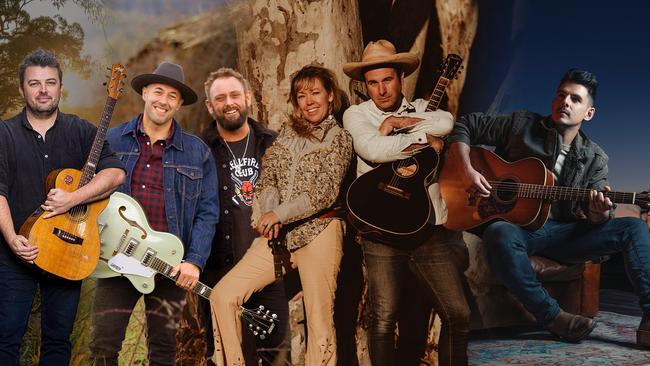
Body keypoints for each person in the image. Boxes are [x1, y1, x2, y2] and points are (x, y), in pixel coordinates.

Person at [446, 68, 650, 346]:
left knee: (634, 227)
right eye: (561, 95)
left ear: (588, 113)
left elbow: (601, 218)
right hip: (520, 230)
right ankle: (554, 318)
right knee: (500, 233)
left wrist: (598, 211)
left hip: (565, 235)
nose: (565, 102)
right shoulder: (521, 125)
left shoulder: (596, 158)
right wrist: (466, 169)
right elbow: (466, 124)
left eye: (575, 99)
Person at [209, 65, 353, 366]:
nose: (309, 101)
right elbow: (267, 179)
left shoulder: (339, 139)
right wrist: (269, 212)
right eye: (302, 95)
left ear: (330, 96)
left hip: (321, 230)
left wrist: (279, 214)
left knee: (319, 320)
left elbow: (323, 192)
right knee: (222, 295)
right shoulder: (286, 135)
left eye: (315, 93)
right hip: (279, 234)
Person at [342, 39, 471, 366]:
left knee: (457, 313)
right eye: (373, 83)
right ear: (364, 85)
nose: (381, 89)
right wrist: (424, 141)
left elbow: (445, 121)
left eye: (387, 80)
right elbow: (373, 149)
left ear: (401, 79)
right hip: (379, 224)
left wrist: (397, 125)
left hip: (427, 226)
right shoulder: (356, 114)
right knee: (383, 318)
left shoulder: (422, 108)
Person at [0, 49, 126, 365]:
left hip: (67, 252)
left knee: (59, 341)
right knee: (5, 339)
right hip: (17, 252)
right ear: (22, 90)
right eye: (34, 83)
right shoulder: (3, 134)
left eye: (50, 82)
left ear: (60, 87)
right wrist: (12, 238)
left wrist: (73, 198)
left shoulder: (81, 130)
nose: (43, 89)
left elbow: (115, 174)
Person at [89, 61, 219, 365]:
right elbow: (88, 190)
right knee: (103, 346)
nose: (164, 100)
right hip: (116, 258)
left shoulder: (197, 152)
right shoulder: (112, 140)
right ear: (145, 93)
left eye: (172, 96)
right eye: (158, 91)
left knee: (164, 351)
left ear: (180, 104)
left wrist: (195, 262)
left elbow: (208, 212)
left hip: (168, 264)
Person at [201, 67, 288, 364]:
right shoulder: (201, 151)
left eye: (235, 94)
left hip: (268, 270)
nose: (229, 102)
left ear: (248, 97)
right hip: (219, 271)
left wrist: (296, 277)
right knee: (227, 355)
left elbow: (294, 207)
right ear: (210, 106)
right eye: (220, 97)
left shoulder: (274, 144)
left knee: (275, 355)